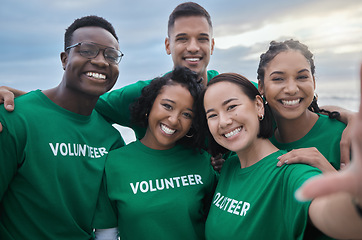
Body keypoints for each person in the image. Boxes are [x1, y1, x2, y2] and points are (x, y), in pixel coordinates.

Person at [0, 2, 355, 168]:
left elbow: (285, 100)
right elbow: (75, 103)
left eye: (203, 38)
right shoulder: (146, 94)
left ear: (213, 45)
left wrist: (352, 116)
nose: (193, 47)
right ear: (168, 45)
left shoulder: (233, 88)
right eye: (182, 38)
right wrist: (12, 95)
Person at [0, 16, 125, 239]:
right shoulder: (14, 118)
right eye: (87, 50)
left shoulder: (111, 139)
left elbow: (106, 225)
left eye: (111, 55)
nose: (101, 61)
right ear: (65, 59)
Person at [199, 73, 362, 239]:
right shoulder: (229, 165)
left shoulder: (291, 172)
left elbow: (337, 218)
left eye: (231, 107)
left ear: (258, 106)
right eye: (212, 115)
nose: (223, 122)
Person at [94, 66, 218, 240]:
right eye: (167, 106)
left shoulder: (201, 160)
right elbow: (106, 234)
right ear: (149, 105)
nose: (174, 120)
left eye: (186, 114)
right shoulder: (113, 164)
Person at [257, 39, 346, 173]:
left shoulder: (343, 138)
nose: (291, 89)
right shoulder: (259, 140)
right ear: (261, 87)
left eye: (302, 77)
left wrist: (328, 171)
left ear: (314, 82)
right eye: (278, 79)